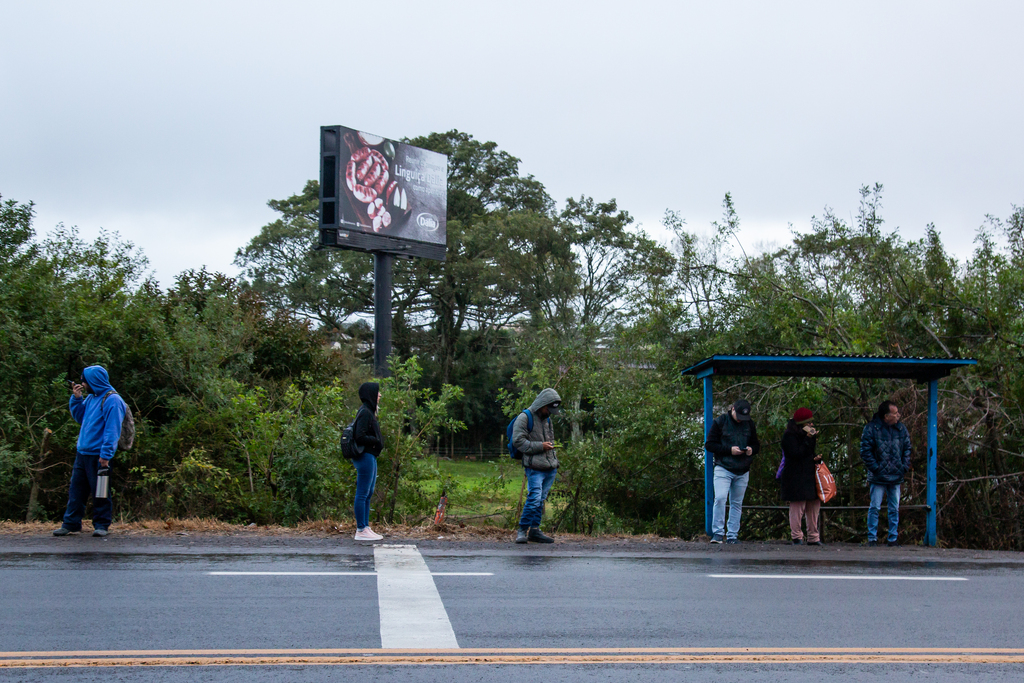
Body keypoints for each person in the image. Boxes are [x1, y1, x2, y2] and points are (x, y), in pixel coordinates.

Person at [53, 366, 128, 537]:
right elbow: (81, 418)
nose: (83, 385)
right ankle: (71, 523)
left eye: (84, 382)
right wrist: (77, 399)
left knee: (100, 491)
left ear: (94, 381)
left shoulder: (112, 400)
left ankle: (101, 524)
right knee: (76, 491)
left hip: (99, 455)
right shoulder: (92, 398)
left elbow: (112, 430)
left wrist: (106, 455)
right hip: (83, 453)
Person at [705, 398, 761, 544]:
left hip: (743, 469)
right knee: (720, 498)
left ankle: (732, 535)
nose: (741, 420)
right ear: (733, 409)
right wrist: (729, 450)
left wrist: (751, 450)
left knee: (737, 503)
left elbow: (756, 444)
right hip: (723, 467)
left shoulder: (749, 424)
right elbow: (710, 444)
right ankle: (718, 533)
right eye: (739, 416)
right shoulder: (720, 421)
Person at [512, 388, 562, 544]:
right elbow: (518, 441)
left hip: (549, 467)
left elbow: (550, 440)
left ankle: (534, 530)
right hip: (534, 467)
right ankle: (522, 530)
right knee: (534, 498)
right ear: (542, 404)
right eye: (549, 409)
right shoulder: (524, 418)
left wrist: (554, 460)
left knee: (540, 500)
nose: (550, 413)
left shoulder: (547, 419)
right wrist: (541, 446)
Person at [860, 400, 912, 547]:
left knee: (894, 508)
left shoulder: (901, 429)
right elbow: (865, 451)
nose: (898, 415)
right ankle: (872, 538)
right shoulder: (871, 429)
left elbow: (907, 448)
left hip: (896, 475)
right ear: (886, 416)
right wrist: (876, 468)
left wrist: (903, 466)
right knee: (875, 507)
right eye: (895, 413)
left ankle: (893, 538)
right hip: (878, 476)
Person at [780, 407, 823, 545]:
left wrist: (815, 458)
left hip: (809, 474)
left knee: (813, 506)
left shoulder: (809, 435)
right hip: (795, 476)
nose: (811, 425)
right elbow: (796, 453)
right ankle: (797, 536)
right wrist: (807, 439)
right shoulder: (789, 436)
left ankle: (813, 536)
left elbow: (809, 452)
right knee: (797, 506)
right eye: (808, 423)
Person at [351, 382, 384, 541]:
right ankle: (360, 529)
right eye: (377, 393)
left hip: (370, 456)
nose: (380, 395)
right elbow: (359, 436)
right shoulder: (365, 412)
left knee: (368, 492)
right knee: (362, 493)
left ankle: (365, 526)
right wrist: (375, 440)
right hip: (365, 456)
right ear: (371, 394)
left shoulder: (369, 411)